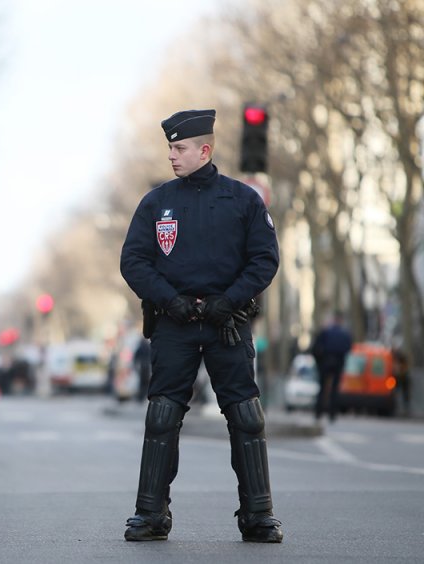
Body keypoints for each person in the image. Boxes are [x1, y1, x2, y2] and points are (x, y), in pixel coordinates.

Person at [120, 109, 283, 543]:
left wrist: (228, 301)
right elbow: (133, 261)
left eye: (180, 148)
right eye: (170, 148)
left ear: (204, 150)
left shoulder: (244, 199)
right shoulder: (156, 202)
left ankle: (258, 515)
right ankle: (150, 514)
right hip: (174, 323)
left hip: (226, 322)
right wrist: (168, 300)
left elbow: (265, 258)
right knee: (162, 415)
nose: (172, 155)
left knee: (246, 415)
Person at [311, 312, 352, 422]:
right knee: (334, 390)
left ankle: (318, 412)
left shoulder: (326, 332)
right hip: (338, 363)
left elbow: (316, 348)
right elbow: (348, 348)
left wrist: (319, 362)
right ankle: (332, 414)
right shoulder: (344, 334)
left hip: (325, 362)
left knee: (322, 388)